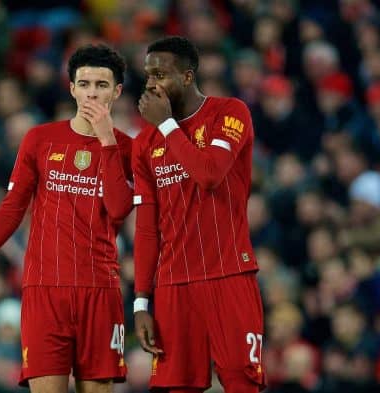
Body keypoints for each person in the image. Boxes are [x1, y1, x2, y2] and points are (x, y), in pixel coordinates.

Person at [0, 44, 133, 393]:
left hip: (99, 289)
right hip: (44, 291)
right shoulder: (40, 140)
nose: (92, 93)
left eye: (102, 85)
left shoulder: (129, 149)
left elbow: (119, 209)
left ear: (116, 91)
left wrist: (107, 141)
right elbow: (12, 208)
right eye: (84, 84)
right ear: (71, 88)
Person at [132, 36, 266, 393]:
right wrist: (141, 301)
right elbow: (146, 228)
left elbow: (209, 174)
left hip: (228, 272)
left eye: (160, 74)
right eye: (148, 76)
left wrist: (167, 127)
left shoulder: (230, 112)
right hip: (174, 284)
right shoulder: (144, 144)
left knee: (242, 382)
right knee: (178, 387)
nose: (151, 84)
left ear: (188, 77)